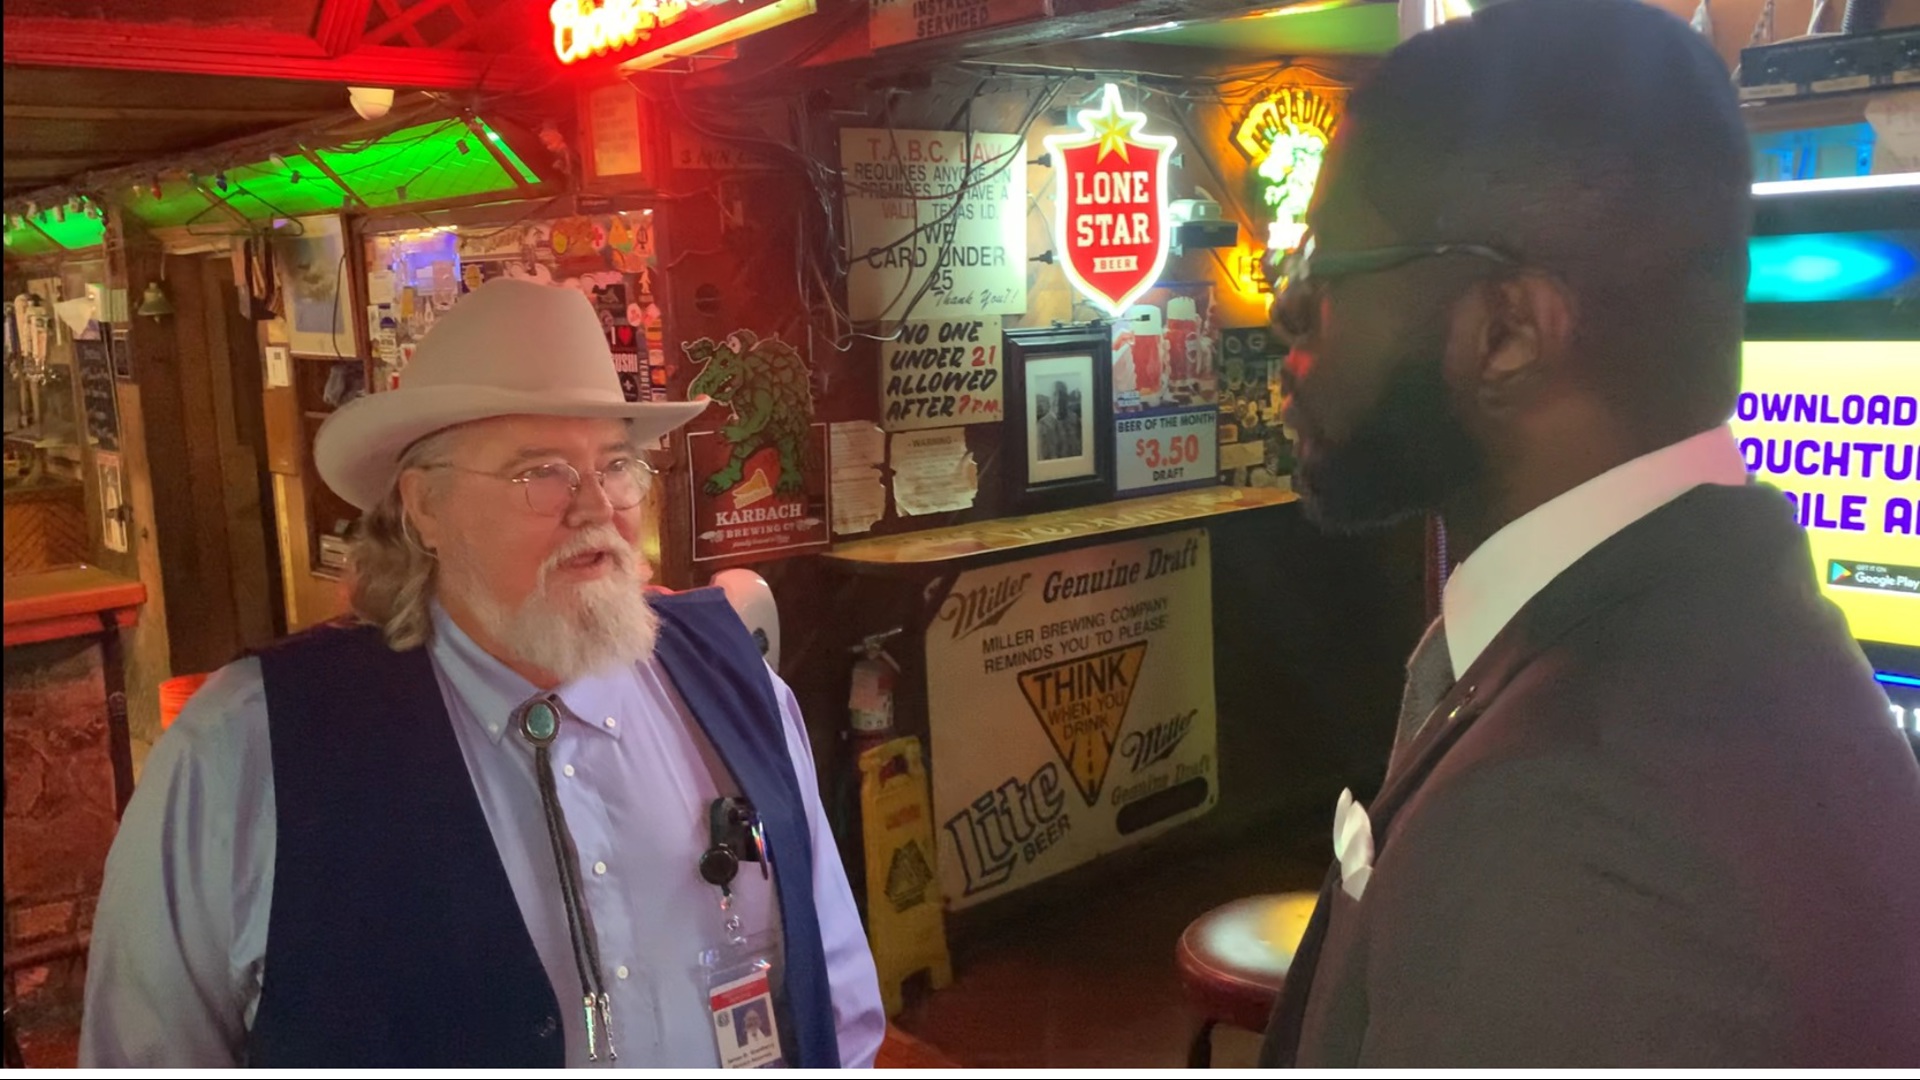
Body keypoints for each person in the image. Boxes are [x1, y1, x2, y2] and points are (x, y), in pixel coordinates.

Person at [1258, 0, 1920, 1067]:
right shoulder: (1719, 627)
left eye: (1327, 265)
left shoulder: (1574, 820)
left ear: (1506, 331)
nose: (1287, 312)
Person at [81, 278, 887, 1068]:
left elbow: (835, 1004)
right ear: (425, 508)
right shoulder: (246, 750)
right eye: (541, 472)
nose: (596, 508)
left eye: (615, 464)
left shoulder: (740, 689)